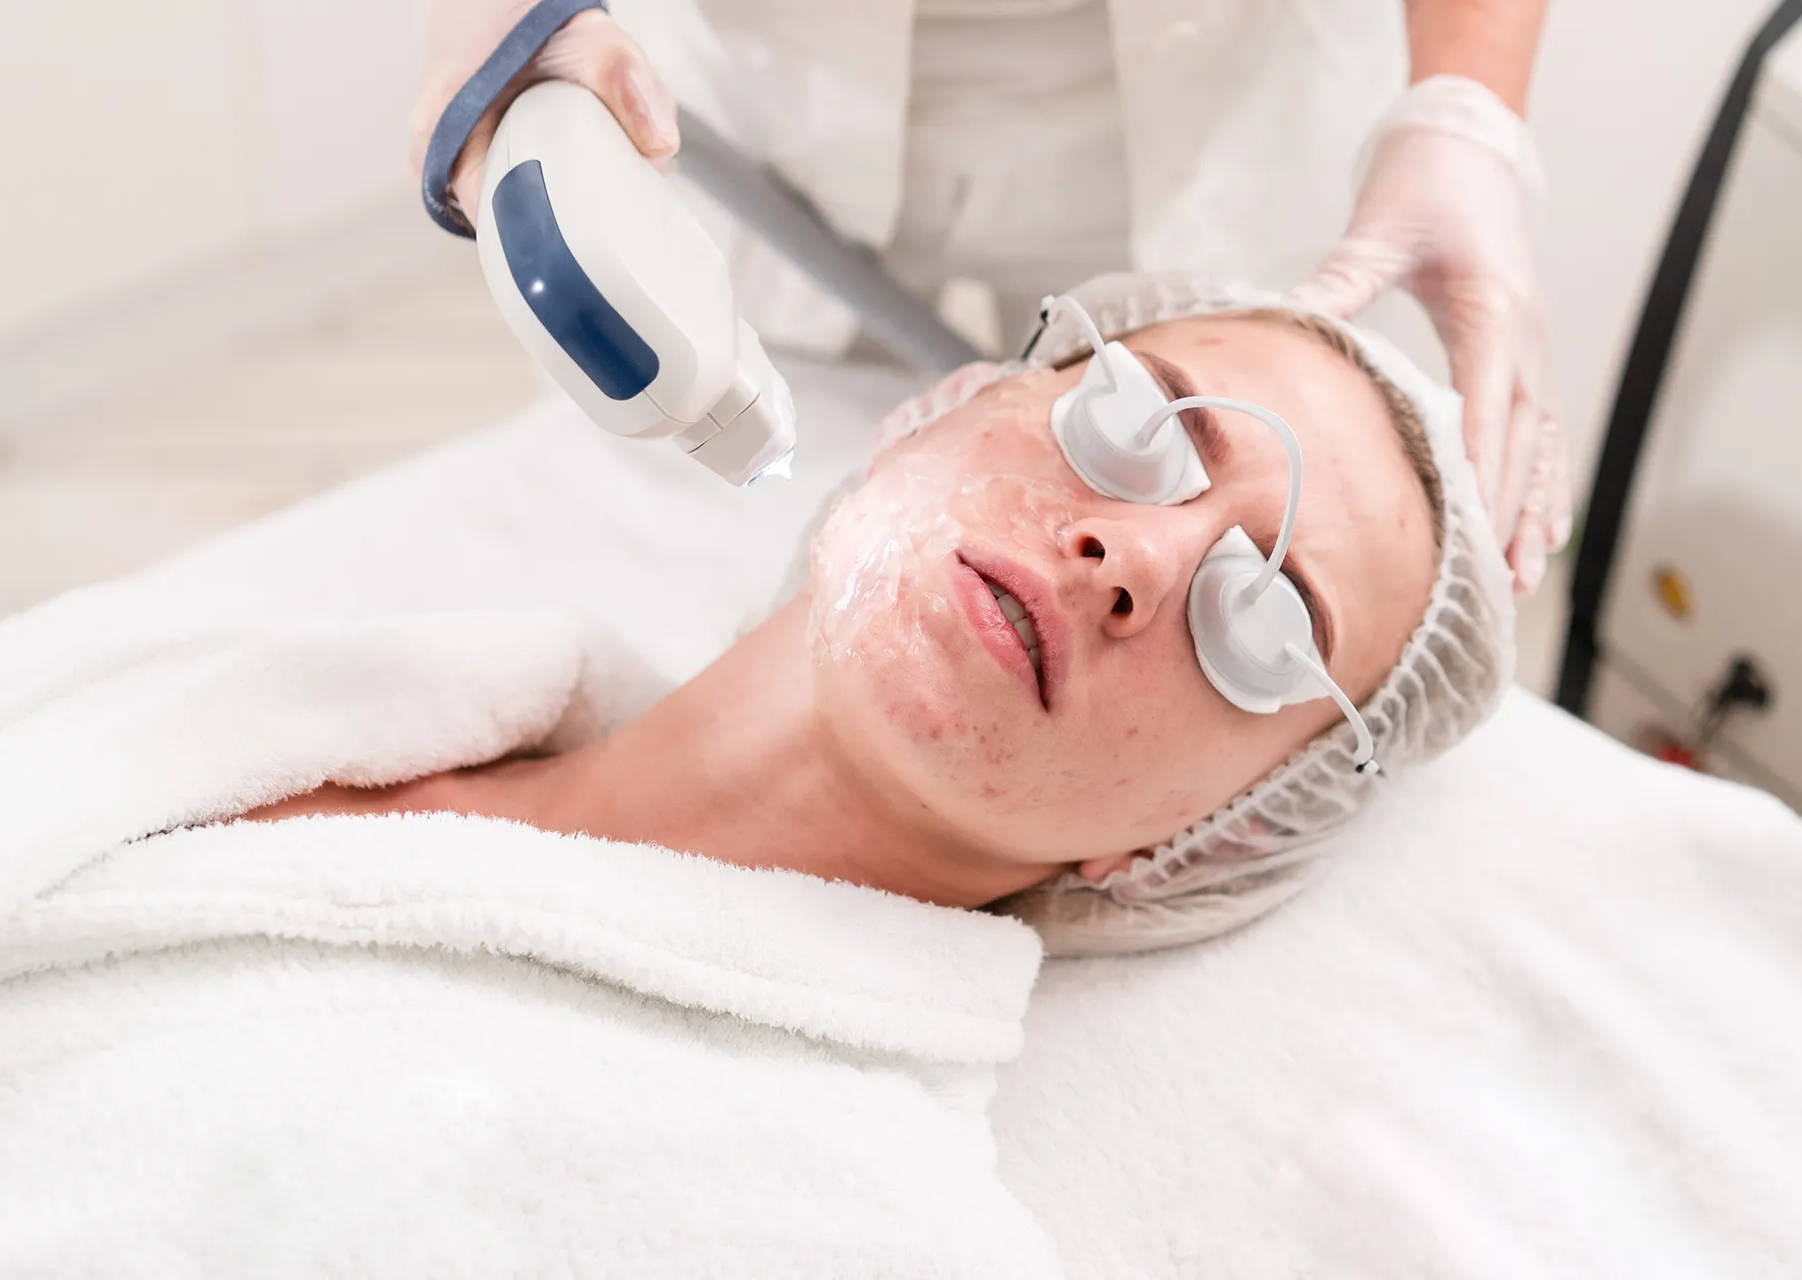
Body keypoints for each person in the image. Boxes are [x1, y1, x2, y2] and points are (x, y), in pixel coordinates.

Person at [247, 273, 1512, 949]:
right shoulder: (304, 709)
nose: (1138, 552)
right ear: (949, 401)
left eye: (1264, 624)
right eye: (1146, 423)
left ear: (1203, 837)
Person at [411, 0, 1568, 595]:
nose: (1115, 573)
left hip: (1200, 104)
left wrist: (1467, 104)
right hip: (779, 97)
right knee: (722, 483)